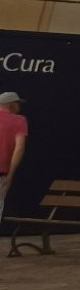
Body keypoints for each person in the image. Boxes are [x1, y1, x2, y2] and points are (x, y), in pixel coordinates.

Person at [0, 92, 24, 223]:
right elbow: (19, 148)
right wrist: (11, 174)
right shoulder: (19, 120)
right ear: (12, 104)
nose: (19, 107)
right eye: (18, 103)